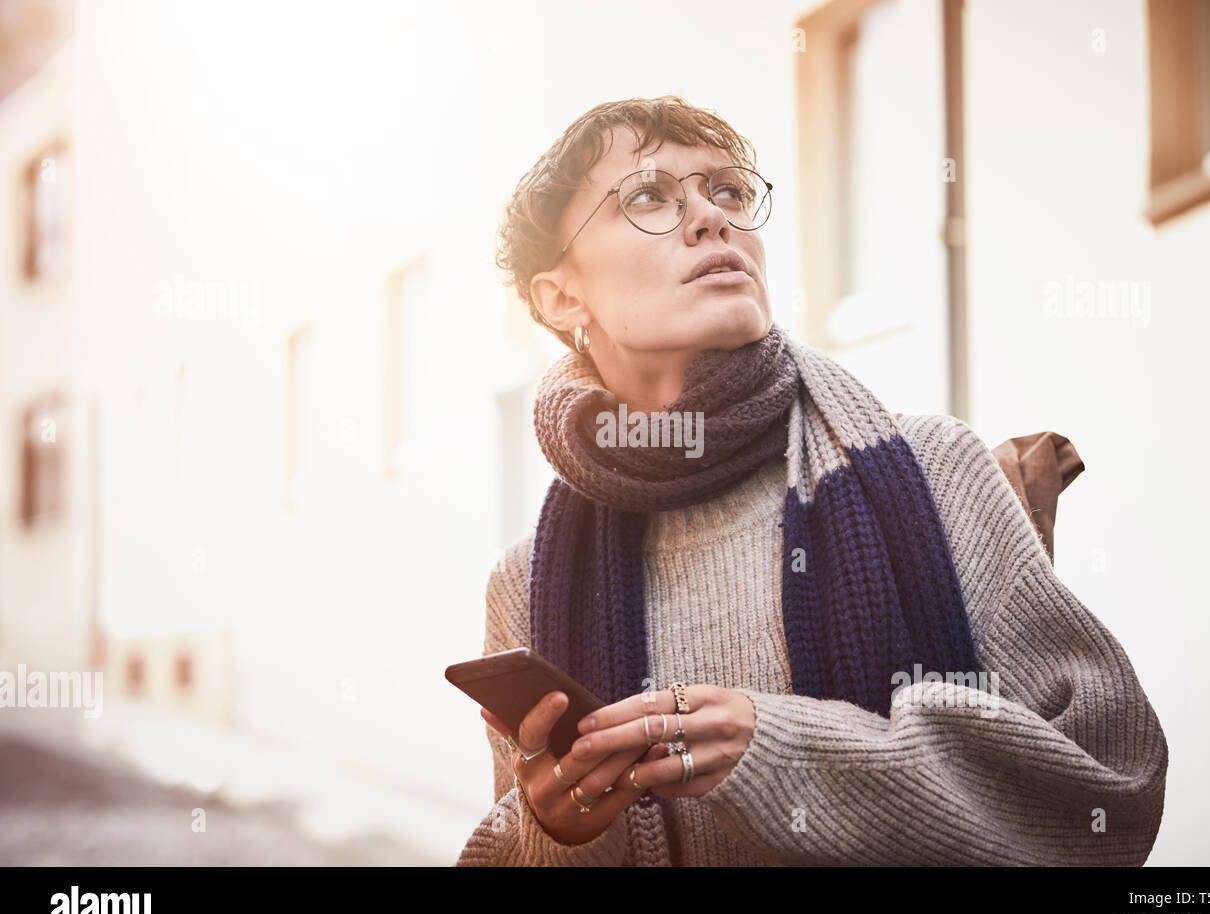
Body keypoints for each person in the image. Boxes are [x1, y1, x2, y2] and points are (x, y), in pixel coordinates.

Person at [456, 95, 1168, 866]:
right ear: (561, 297)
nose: (710, 217)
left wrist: (785, 754)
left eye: (726, 191)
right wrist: (560, 832)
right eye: (650, 196)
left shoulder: (937, 470)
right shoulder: (525, 584)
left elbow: (1112, 792)